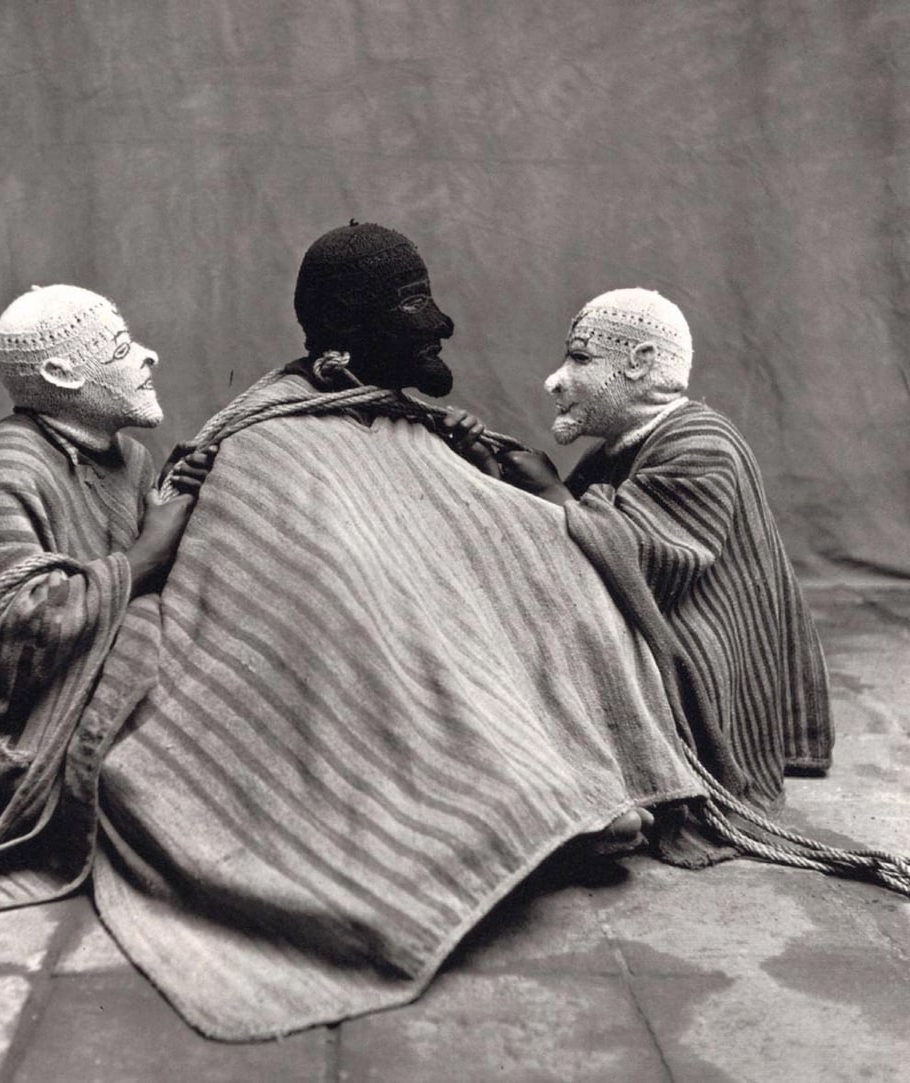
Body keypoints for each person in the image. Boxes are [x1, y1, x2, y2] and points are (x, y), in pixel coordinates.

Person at [83, 225, 711, 1040]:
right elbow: (308, 588)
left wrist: (540, 516)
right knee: (377, 613)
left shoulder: (409, 421)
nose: (441, 323)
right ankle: (514, 813)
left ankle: (568, 785)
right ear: (348, 336)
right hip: (363, 688)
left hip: (461, 669)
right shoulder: (268, 440)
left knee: (535, 555)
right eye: (414, 303)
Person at [0, 284, 215, 895]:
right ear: (60, 373)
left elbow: (130, 567)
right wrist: (147, 553)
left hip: (91, 662)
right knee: (160, 773)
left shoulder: (130, 458)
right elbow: (18, 630)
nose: (148, 355)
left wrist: (169, 501)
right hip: (17, 715)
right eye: (119, 345)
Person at [498, 288, 833, 812]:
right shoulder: (619, 447)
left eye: (581, 358)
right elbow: (584, 530)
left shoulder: (702, 442)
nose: (556, 379)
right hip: (672, 616)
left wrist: (549, 492)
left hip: (708, 643)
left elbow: (644, 563)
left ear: (641, 362)